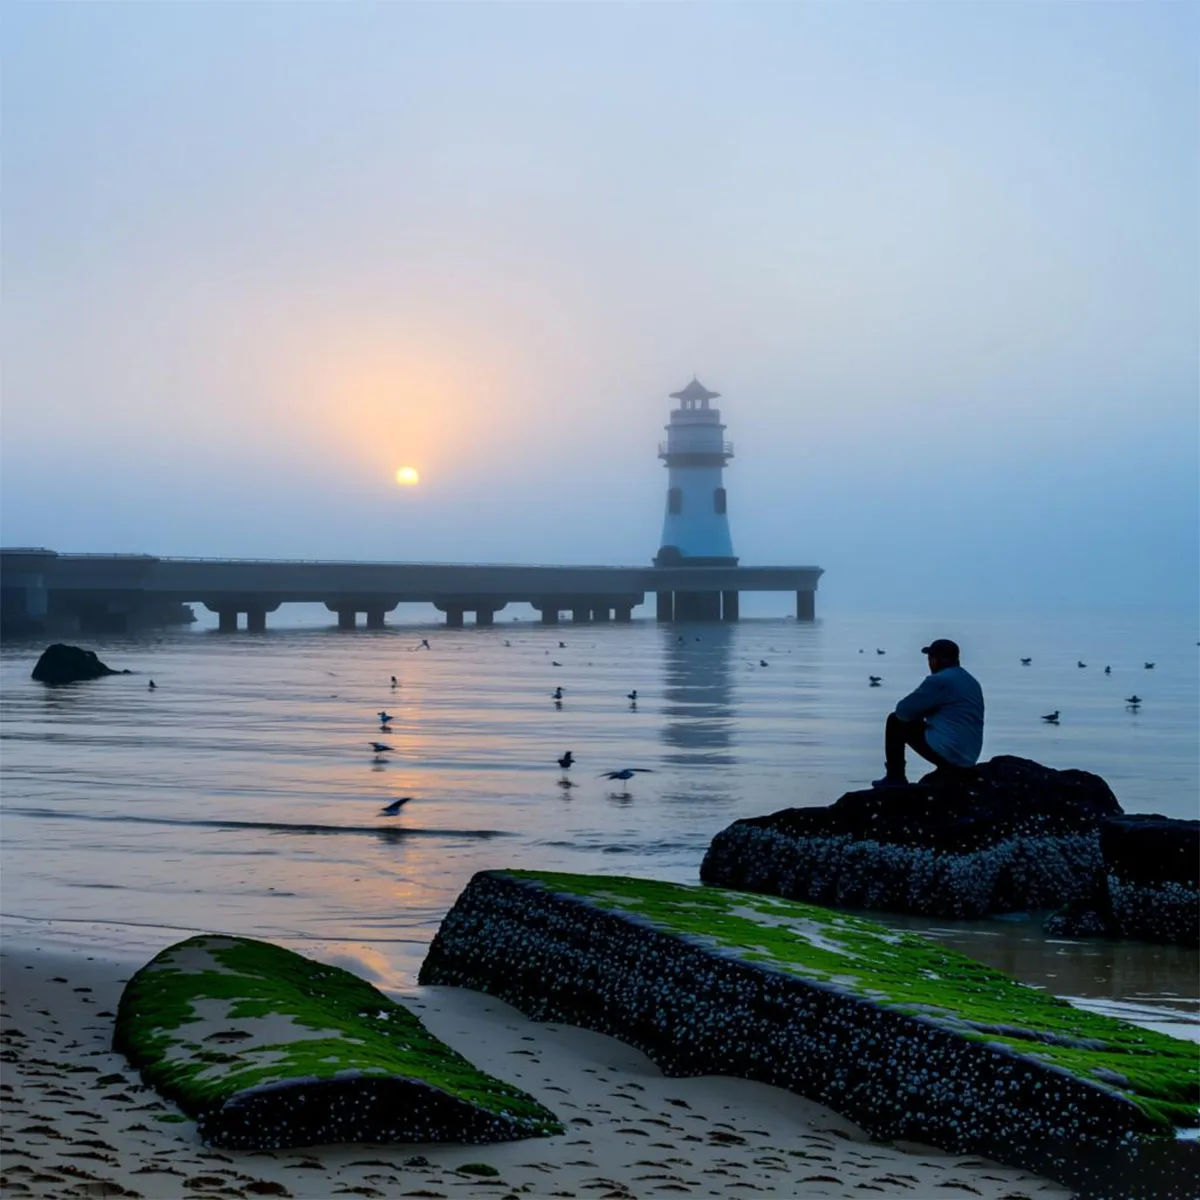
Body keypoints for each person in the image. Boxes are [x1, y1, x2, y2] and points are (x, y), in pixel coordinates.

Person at [873, 638, 984, 788]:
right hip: (969, 757)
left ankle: (895, 776)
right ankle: (946, 770)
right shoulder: (970, 680)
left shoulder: (940, 680)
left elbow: (903, 711)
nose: (929, 662)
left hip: (951, 753)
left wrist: (922, 712)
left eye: (931, 658)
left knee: (895, 722)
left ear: (939, 660)